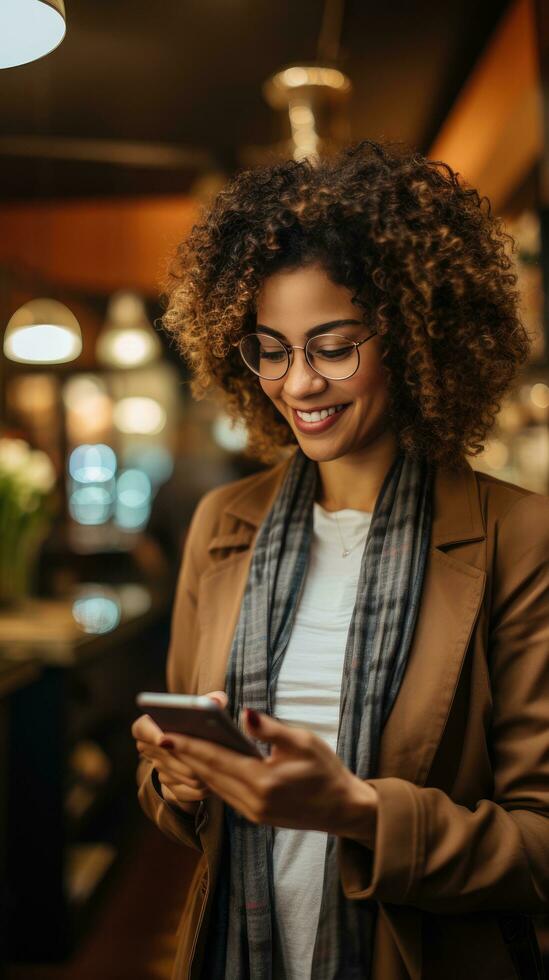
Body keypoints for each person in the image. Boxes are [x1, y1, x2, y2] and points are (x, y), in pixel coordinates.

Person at [131, 139, 549, 980]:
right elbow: (169, 788)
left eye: (332, 346)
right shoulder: (223, 526)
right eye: (272, 348)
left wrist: (358, 812)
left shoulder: (518, 539)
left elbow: (539, 841)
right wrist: (176, 784)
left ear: (412, 337)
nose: (298, 385)